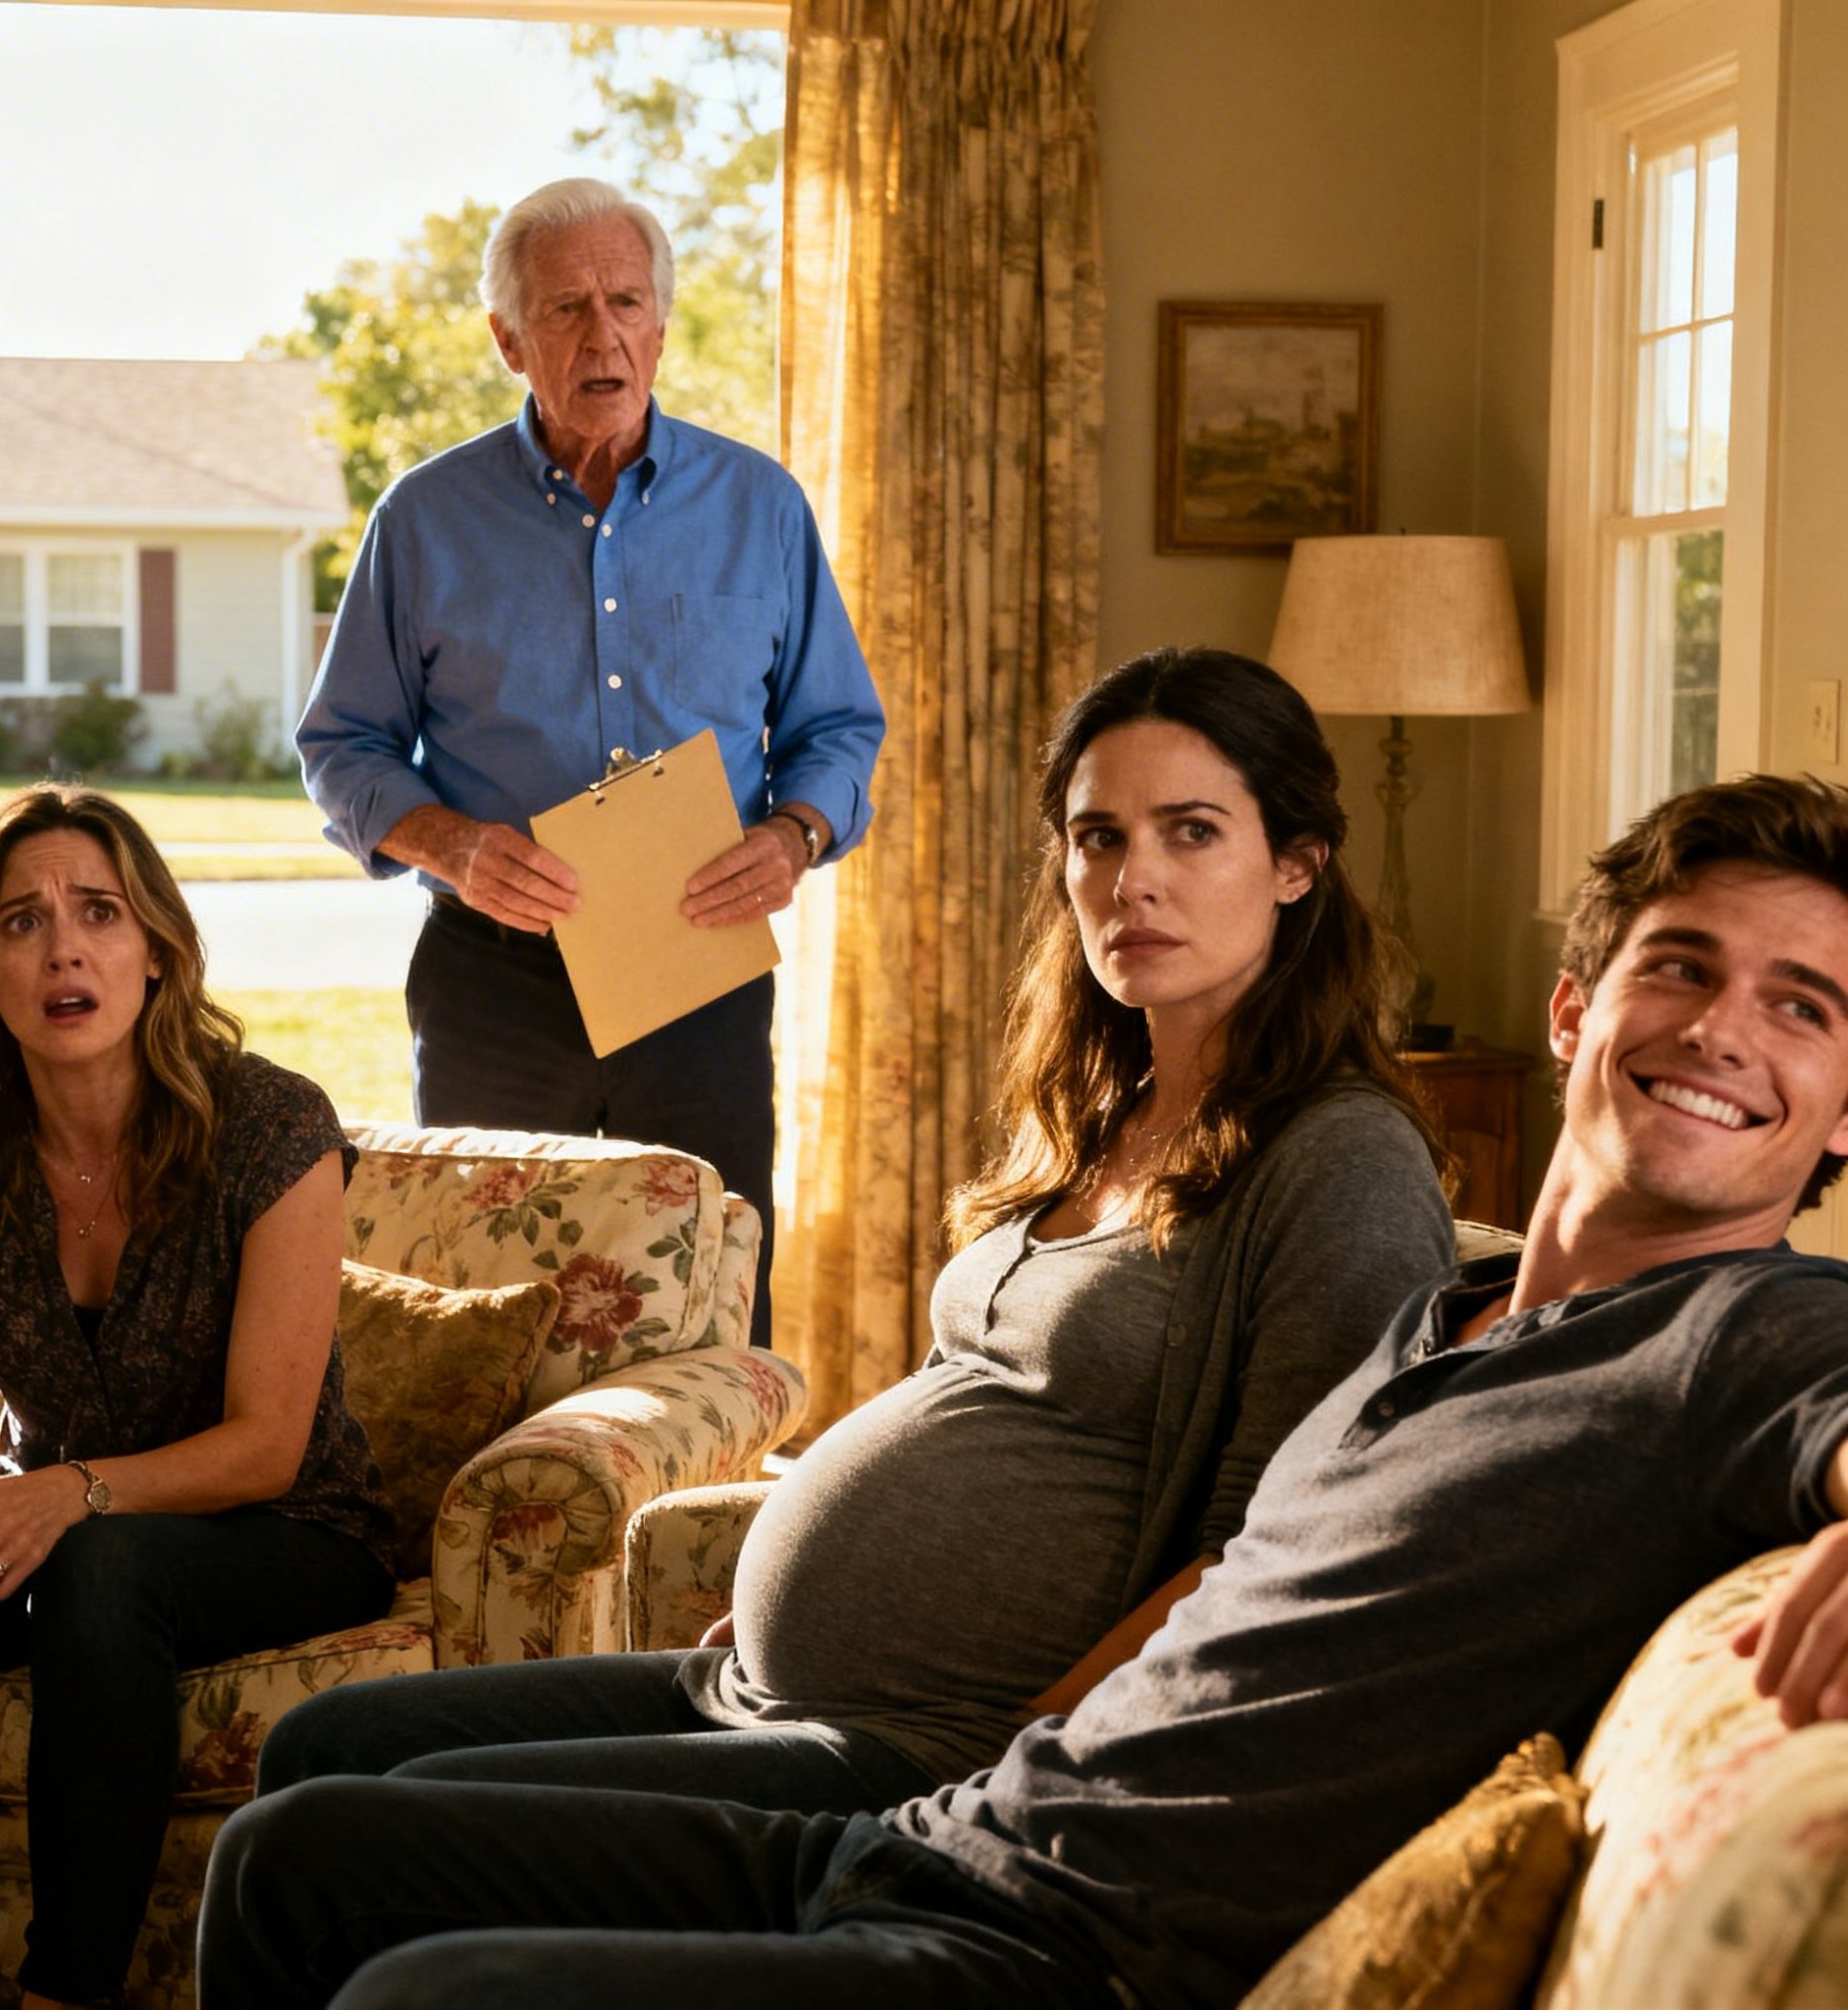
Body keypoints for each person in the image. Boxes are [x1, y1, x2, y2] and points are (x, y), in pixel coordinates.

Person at [199, 767, 1848, 2010]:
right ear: (1572, 1009)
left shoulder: (1742, 1336)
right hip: (941, 1828)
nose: (1718, 1030)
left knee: (425, 1998)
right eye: (1679, 966)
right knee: (298, 1853)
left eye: (1802, 1007)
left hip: (1059, 1957)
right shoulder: (1452, 1309)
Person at [203, 642, 1449, 1908]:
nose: (1133, 878)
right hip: (759, 1683)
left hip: (940, 1748)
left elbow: (1276, 1550)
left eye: (1192, 832)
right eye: (1097, 835)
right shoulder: (1106, 1110)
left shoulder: (1336, 1160)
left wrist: (1041, 1740)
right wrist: (784, 1600)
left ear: (1296, 864)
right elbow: (978, 1407)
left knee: (325, 1846)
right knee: (326, 1743)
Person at [295, 176, 887, 1349]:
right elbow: (340, 745)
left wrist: (793, 833)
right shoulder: (423, 517)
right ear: (507, 339)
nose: (601, 332)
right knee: (482, 1300)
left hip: (697, 965)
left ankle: (704, 1523)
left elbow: (837, 728)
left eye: (625, 300)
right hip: (495, 978)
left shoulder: (760, 507)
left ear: (661, 324)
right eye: (564, 308)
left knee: (709, 1287)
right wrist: (451, 843)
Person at [0, 786, 396, 2010]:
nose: (64, 948)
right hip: (67, 1515)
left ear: (156, 949)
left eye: (99, 911)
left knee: (101, 1571)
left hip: (289, 1526)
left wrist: (66, 1497)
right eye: (21, 920)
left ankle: (68, 1993)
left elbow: (265, 1442)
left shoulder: (271, 1122)